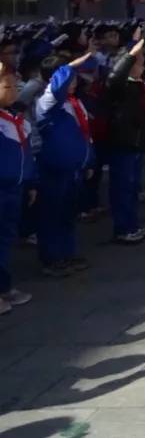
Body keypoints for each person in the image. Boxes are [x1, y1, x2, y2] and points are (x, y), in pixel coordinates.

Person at [35, 50, 97, 275]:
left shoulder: (74, 102)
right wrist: (70, 66)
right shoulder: (47, 102)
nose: (73, 81)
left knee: (68, 213)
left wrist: (88, 161)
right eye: (68, 77)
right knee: (52, 214)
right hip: (55, 169)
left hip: (75, 168)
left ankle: (67, 253)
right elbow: (57, 86)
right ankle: (52, 258)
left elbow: (84, 133)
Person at [105, 31, 145, 245]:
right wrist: (130, 54)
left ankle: (132, 225)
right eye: (139, 63)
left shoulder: (137, 86)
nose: (143, 67)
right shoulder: (118, 87)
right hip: (123, 143)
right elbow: (115, 75)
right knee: (122, 188)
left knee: (133, 188)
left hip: (137, 143)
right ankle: (122, 229)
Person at [0, 60, 36, 315]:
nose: (13, 90)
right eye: (6, 86)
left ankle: (4, 287)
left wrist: (31, 182)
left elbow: (26, 153)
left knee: (5, 241)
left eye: (14, 85)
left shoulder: (15, 118)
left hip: (15, 187)